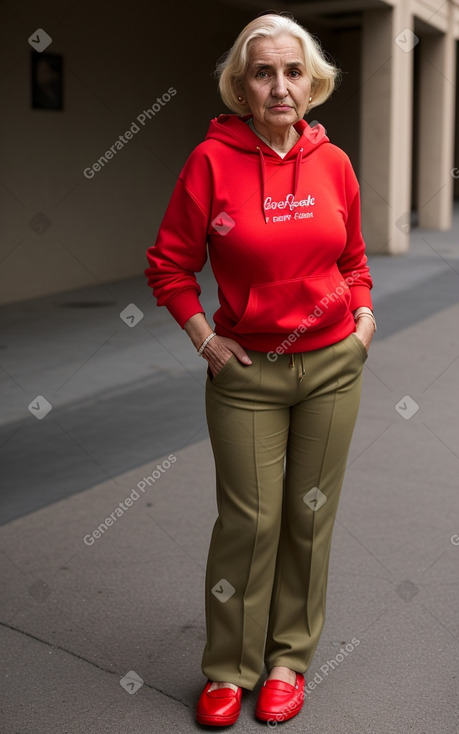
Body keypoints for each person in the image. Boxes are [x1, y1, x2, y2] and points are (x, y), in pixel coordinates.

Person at [145, 11, 375, 727]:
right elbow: (168, 265)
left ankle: (286, 661)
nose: (280, 86)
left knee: (309, 519)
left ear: (312, 83)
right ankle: (227, 669)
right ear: (240, 88)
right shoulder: (209, 162)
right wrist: (203, 339)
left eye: (292, 71)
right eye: (263, 72)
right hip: (247, 376)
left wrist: (363, 322)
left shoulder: (334, 163)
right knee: (248, 523)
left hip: (334, 365)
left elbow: (353, 259)